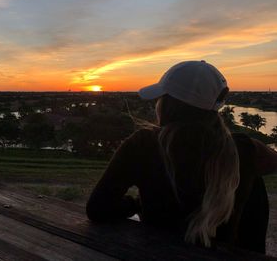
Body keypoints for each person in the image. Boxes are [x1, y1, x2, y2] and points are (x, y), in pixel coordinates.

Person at [86, 60, 277, 253]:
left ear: (167, 105)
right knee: (252, 180)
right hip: (224, 250)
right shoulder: (243, 148)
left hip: (160, 252)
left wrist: (136, 204)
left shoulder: (143, 144)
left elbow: (98, 208)